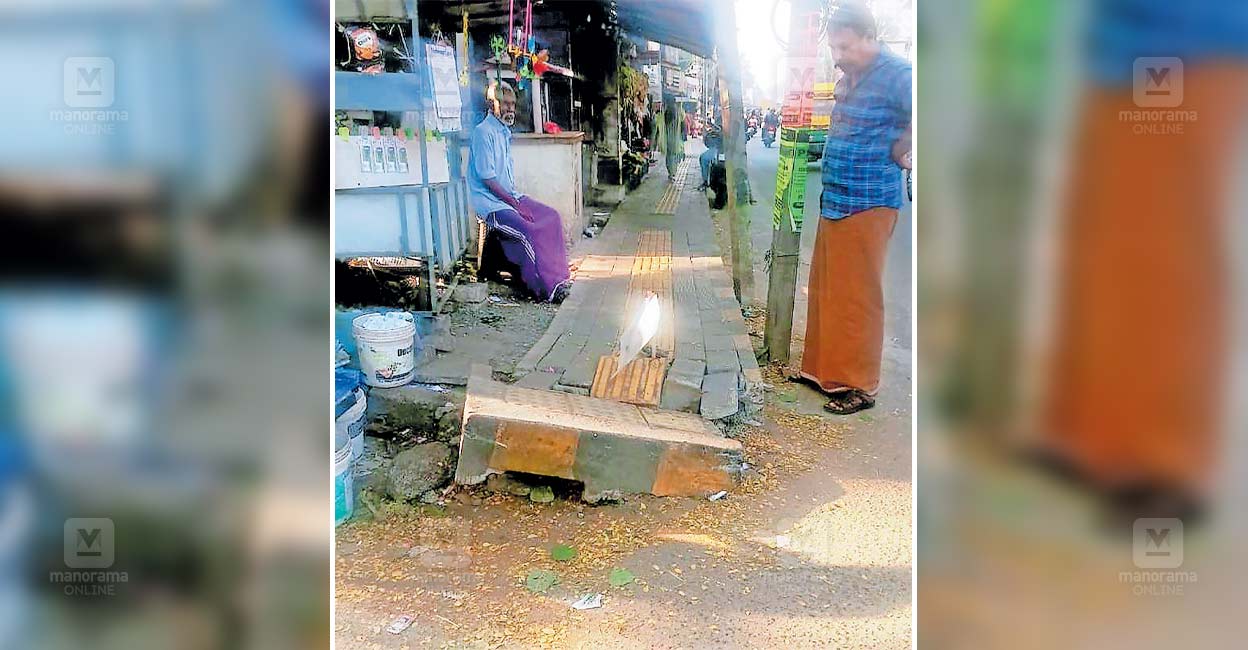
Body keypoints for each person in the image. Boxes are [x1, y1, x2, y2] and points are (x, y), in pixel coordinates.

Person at [799, 2, 911, 415]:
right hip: (836, 198)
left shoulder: (900, 75)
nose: (838, 55)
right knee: (827, 290)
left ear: (869, 37)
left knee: (858, 297)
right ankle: (823, 373)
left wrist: (906, 146)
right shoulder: (850, 75)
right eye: (835, 47)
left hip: (869, 201)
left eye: (845, 46)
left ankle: (860, 386)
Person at [468, 82, 572, 303]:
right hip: (491, 204)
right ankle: (545, 289)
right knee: (529, 231)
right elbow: (488, 179)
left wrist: (517, 201)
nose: (510, 109)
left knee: (552, 218)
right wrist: (516, 206)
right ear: (491, 103)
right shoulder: (482, 132)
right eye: (505, 104)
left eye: (512, 104)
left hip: (510, 197)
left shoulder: (503, 131)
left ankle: (560, 279)